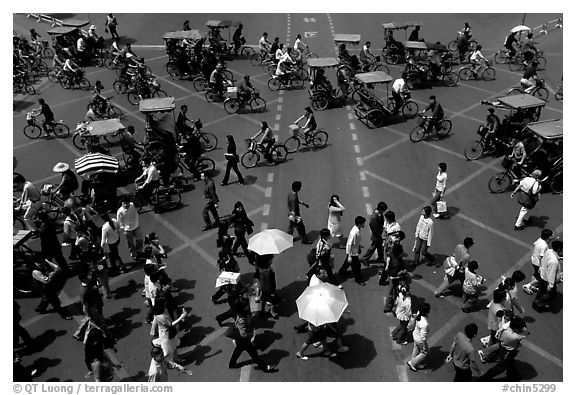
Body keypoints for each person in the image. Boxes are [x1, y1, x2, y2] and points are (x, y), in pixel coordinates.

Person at [228, 298, 277, 372]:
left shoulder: (243, 314)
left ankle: (232, 364)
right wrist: (251, 333)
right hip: (244, 340)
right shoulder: (242, 320)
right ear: (242, 308)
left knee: (238, 350)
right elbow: (244, 334)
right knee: (254, 354)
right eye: (246, 306)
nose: (248, 306)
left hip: (241, 340)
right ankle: (264, 368)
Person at [533, 240, 562, 311]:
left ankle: (538, 301)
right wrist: (551, 285)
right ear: (559, 249)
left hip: (543, 275)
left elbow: (543, 260)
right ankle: (538, 303)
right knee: (551, 295)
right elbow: (551, 274)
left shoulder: (549, 251)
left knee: (542, 291)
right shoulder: (554, 262)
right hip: (547, 280)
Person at [338, 216, 367, 286]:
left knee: (347, 263)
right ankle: (358, 279)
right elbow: (349, 244)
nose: (364, 224)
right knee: (357, 266)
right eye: (363, 223)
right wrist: (349, 256)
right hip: (352, 253)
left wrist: (358, 246)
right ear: (360, 224)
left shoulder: (358, 229)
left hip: (355, 250)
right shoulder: (354, 232)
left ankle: (342, 271)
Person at [523, 229, 553, 295]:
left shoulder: (540, 240)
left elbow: (535, 243)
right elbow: (542, 257)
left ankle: (532, 286)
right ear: (548, 237)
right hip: (538, 263)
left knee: (536, 274)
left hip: (534, 260)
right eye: (551, 235)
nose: (552, 236)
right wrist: (542, 266)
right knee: (540, 277)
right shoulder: (544, 245)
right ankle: (528, 285)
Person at [361, 201, 387, 265]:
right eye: (384, 210)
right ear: (380, 209)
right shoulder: (374, 217)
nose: (384, 211)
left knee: (379, 247)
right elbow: (373, 227)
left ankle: (380, 258)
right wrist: (379, 236)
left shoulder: (378, 213)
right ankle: (364, 259)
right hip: (377, 235)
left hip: (379, 233)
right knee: (373, 247)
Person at [407, 302, 431, 371]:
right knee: (425, 352)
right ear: (427, 312)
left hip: (415, 335)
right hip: (420, 339)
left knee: (416, 348)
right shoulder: (425, 324)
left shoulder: (418, 313)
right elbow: (423, 337)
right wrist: (424, 346)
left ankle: (415, 363)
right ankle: (412, 363)